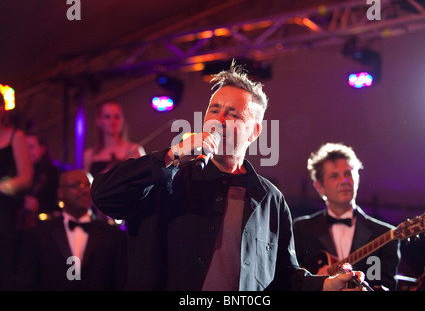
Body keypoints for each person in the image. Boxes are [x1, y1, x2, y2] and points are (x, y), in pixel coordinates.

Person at [91, 63, 365, 291]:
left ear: (254, 132)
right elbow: (104, 195)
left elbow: (282, 276)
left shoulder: (269, 199)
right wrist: (172, 155)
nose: (218, 120)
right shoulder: (167, 176)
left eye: (232, 114)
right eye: (214, 110)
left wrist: (326, 286)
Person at [293, 142, 400, 291]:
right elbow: (290, 280)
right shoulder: (300, 229)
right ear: (319, 186)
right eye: (334, 176)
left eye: (348, 174)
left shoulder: (385, 234)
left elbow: (387, 287)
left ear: (357, 178)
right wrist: (318, 283)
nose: (344, 181)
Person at [16, 169, 127, 290]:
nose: (84, 190)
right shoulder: (39, 235)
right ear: (60, 192)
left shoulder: (113, 235)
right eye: (76, 185)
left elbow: (121, 282)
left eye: (87, 185)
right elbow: (27, 282)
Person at [0, 98, 33, 290]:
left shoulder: (15, 136)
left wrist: (3, 186)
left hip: (5, 208)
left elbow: (26, 177)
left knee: (5, 262)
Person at [84, 99, 146, 178]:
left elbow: (143, 180)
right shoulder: (89, 154)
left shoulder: (134, 149)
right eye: (107, 117)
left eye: (117, 117)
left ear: (122, 120)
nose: (112, 121)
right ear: (99, 121)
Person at [17, 133, 60, 230]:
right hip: (18, 225)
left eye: (31, 147)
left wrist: (38, 206)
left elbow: (56, 203)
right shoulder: (14, 174)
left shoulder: (51, 173)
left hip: (43, 226)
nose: (27, 151)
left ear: (42, 149)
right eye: (24, 147)